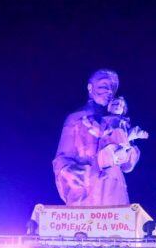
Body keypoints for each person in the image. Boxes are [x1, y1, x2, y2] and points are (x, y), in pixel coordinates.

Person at [52, 69, 143, 206]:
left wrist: (127, 151)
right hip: (85, 193)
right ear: (90, 87)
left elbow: (128, 165)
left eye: (112, 88)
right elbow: (61, 159)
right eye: (104, 86)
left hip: (113, 190)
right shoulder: (76, 118)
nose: (109, 92)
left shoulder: (118, 121)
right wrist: (72, 173)